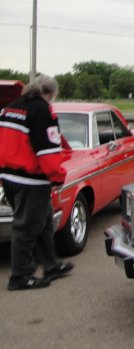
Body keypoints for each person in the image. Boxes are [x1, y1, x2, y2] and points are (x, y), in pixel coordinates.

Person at [0, 75, 73, 290]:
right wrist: (58, 177)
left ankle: (50, 265)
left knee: (43, 222)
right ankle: (20, 276)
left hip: (9, 177)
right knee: (27, 227)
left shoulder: (11, 107)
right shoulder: (42, 111)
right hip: (31, 181)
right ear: (51, 94)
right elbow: (47, 152)